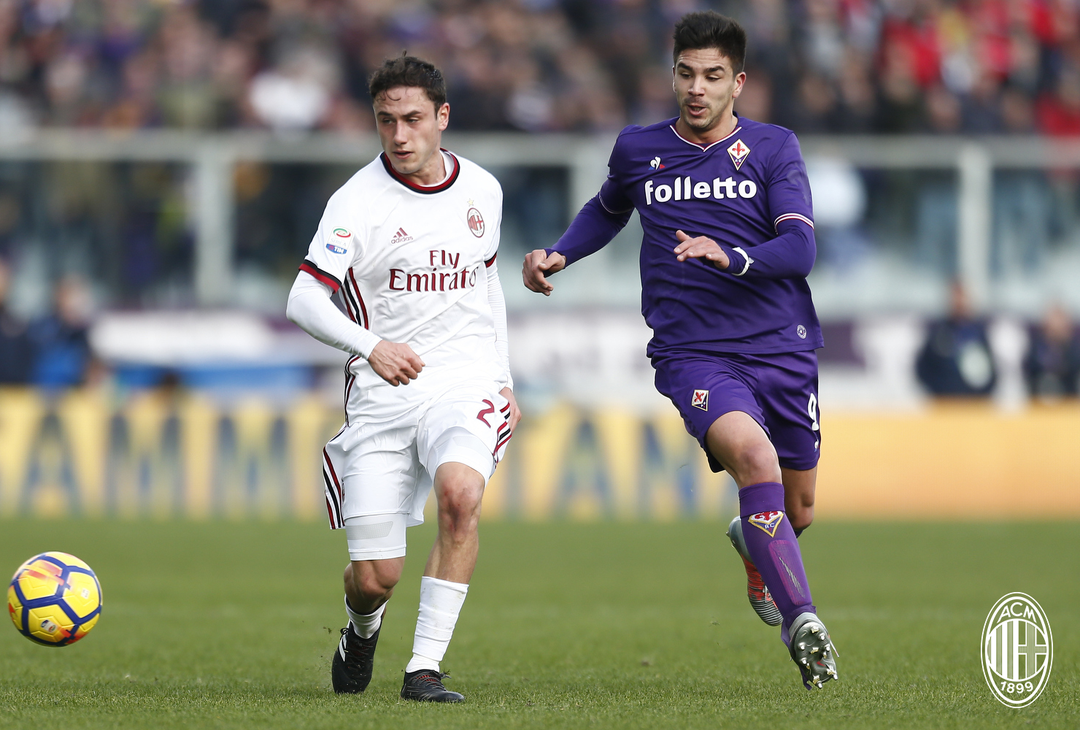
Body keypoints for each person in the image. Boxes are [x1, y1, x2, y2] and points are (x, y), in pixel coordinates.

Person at [523, 11, 837, 690]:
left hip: (781, 346)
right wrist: (559, 252)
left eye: (713, 76)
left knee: (799, 507)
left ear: (739, 83)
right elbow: (609, 208)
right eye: (686, 73)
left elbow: (801, 249)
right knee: (754, 458)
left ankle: (756, 547)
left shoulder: (774, 147)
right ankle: (803, 623)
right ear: (672, 75)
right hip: (694, 352)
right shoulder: (638, 149)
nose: (697, 88)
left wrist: (731, 255)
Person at [286, 54, 520, 703]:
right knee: (375, 576)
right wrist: (372, 346)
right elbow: (303, 300)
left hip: (463, 378)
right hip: (383, 392)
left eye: (413, 118)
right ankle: (362, 629)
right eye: (386, 120)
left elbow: (486, 283)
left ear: (442, 117)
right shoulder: (355, 202)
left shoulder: (483, 189)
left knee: (459, 496)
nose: (399, 134)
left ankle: (424, 670)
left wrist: (501, 378)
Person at [914, 280, 997, 398]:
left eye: (962, 297)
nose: (959, 302)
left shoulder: (978, 332)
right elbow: (923, 368)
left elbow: (992, 372)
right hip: (945, 405)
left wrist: (980, 395)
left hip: (973, 405)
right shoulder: (939, 331)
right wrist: (939, 391)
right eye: (955, 297)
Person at [1023, 303, 1080, 399]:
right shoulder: (1037, 345)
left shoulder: (1072, 347)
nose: (1057, 324)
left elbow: (1073, 369)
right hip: (1039, 400)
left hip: (1068, 400)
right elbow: (1030, 370)